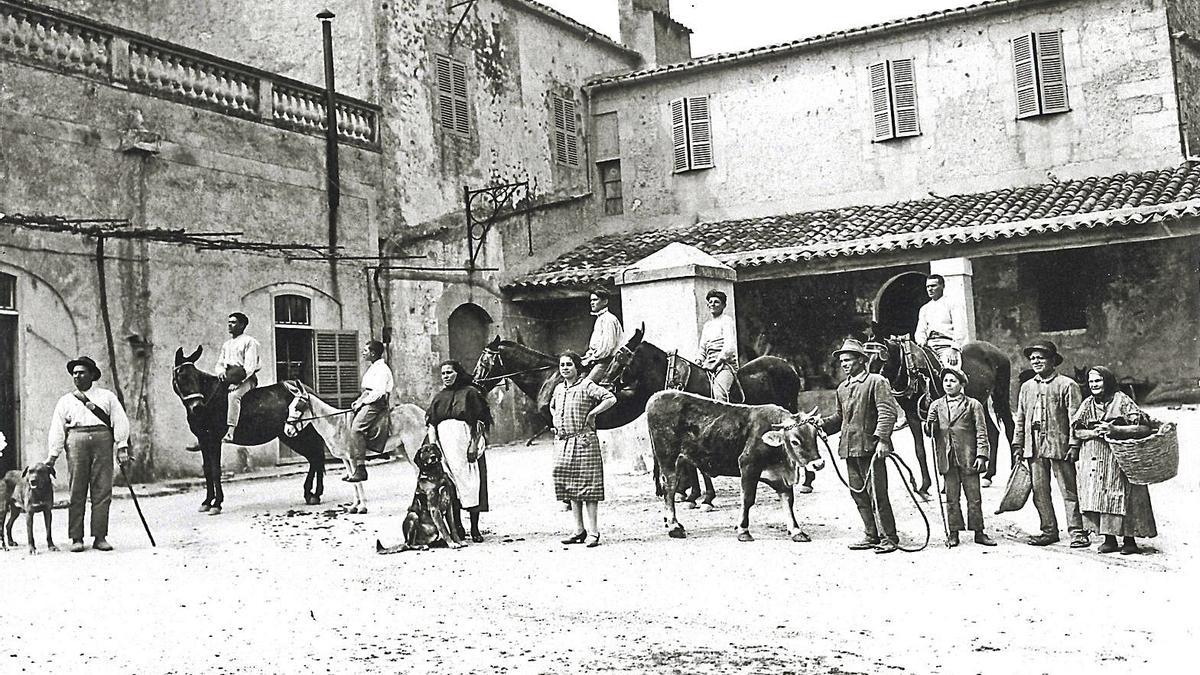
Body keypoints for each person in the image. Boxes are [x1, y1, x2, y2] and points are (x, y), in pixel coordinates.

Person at [819, 338, 900, 554]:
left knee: (878, 494)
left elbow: (887, 412)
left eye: (849, 360)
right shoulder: (842, 388)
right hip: (849, 448)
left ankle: (889, 538)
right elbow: (839, 418)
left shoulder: (876, 381)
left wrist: (883, 439)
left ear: (861, 360)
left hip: (871, 449)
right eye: (842, 361)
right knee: (858, 494)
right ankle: (871, 535)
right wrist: (821, 425)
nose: (844, 364)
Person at [45, 356, 130, 552]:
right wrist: (53, 455)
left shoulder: (107, 397)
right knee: (77, 489)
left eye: (81, 372)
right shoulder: (65, 400)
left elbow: (119, 420)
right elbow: (57, 429)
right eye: (74, 373)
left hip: (102, 441)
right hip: (76, 441)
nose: (77, 376)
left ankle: (100, 537)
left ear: (92, 375)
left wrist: (122, 445)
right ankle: (76, 538)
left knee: (102, 490)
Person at [1071, 366, 1157, 555]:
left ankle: (1129, 540)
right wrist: (1093, 432)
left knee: (1124, 497)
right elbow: (1076, 430)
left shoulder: (1122, 401)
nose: (1094, 385)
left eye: (1098, 381)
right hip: (1095, 458)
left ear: (1107, 381)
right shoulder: (1087, 404)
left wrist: (1117, 430)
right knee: (1099, 496)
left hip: (1119, 457)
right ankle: (1108, 539)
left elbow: (1144, 428)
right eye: (1091, 381)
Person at [1012, 340, 1088, 548]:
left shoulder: (1067, 385)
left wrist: (1074, 445)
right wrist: (1018, 444)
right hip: (1033, 446)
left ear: (1053, 360)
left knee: (1068, 490)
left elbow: (1076, 418)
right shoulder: (1026, 387)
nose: (1036, 361)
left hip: (1059, 444)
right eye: (1033, 358)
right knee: (1040, 491)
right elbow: (1021, 417)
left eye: (1041, 357)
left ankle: (1077, 532)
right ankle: (1048, 530)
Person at [924, 367, 996, 547]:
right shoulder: (936, 405)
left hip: (968, 456)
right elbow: (930, 432)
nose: (948, 384)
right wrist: (929, 423)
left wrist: (982, 455)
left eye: (953, 381)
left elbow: (982, 431)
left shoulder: (973, 405)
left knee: (974, 497)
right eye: (946, 381)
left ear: (962, 384)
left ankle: (979, 532)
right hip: (947, 458)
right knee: (951, 498)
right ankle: (953, 533)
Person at [551, 351, 617, 548]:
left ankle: (594, 532)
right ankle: (578, 530)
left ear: (577, 367)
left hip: (584, 442)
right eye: (562, 365)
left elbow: (610, 398)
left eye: (569, 364)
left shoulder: (586, 385)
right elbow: (552, 407)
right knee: (571, 488)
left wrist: (592, 414)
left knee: (589, 489)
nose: (565, 368)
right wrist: (556, 420)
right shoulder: (558, 389)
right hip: (563, 443)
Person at [426, 360, 492, 543]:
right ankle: (458, 527)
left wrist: (474, 444)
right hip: (446, 449)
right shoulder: (439, 397)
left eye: (449, 372)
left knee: (472, 485)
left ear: (458, 373)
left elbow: (480, 422)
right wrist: (434, 448)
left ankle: (475, 528)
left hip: (466, 445)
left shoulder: (471, 393)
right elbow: (431, 424)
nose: (446, 376)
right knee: (450, 487)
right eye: (443, 374)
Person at [346, 340, 393, 483]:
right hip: (369, 400)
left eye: (366, 351)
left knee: (356, 429)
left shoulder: (382, 369)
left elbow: (378, 392)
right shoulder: (373, 368)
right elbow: (368, 390)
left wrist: (363, 402)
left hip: (376, 403)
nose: (363, 353)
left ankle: (361, 468)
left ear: (373, 353)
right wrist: (359, 400)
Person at [215, 312, 261, 443]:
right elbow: (219, 363)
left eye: (233, 322)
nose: (229, 325)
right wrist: (220, 371)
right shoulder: (227, 344)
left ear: (242, 325)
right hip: (229, 377)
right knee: (211, 396)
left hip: (246, 379)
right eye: (229, 322)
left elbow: (250, 367)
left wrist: (238, 383)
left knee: (234, 396)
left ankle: (230, 432)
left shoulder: (250, 342)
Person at [914, 274, 966, 368]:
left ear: (942, 286)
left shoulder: (952, 304)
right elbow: (920, 331)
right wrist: (921, 342)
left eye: (933, 286)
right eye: (928, 286)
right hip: (929, 348)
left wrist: (954, 349)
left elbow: (960, 329)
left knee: (950, 375)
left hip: (946, 347)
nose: (930, 289)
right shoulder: (925, 309)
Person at [698, 289, 738, 402]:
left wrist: (715, 364)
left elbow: (729, 347)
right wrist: (698, 362)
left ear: (724, 305)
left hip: (724, 365)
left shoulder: (726, 321)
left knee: (719, 394)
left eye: (716, 302)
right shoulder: (707, 326)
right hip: (708, 365)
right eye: (710, 302)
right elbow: (702, 349)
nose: (712, 304)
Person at [580, 288, 623, 382]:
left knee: (585, 386)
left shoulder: (608, 319)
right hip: (598, 360)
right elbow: (595, 347)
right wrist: (586, 357)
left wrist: (591, 359)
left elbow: (606, 348)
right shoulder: (600, 319)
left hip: (607, 362)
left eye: (595, 300)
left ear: (605, 302)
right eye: (591, 300)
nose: (592, 303)